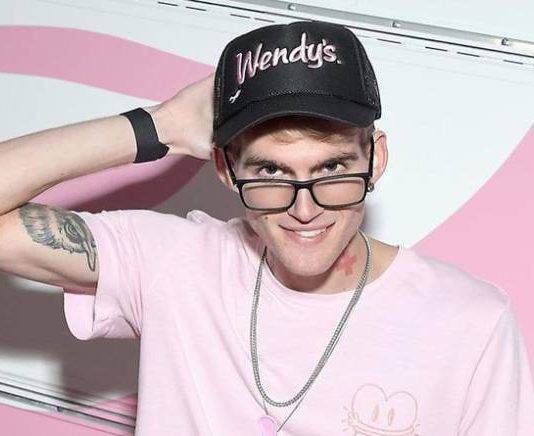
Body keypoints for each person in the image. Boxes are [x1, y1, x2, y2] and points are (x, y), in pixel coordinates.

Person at [0, 19, 532, 436]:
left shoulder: (471, 322)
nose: (305, 209)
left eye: (332, 169)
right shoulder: (173, 263)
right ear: (226, 169)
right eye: (271, 173)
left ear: (377, 160)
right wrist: (159, 126)